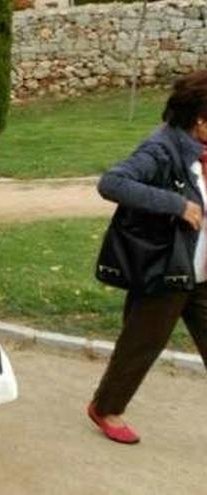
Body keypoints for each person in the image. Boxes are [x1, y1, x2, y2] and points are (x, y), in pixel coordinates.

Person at [88, 70, 207, 445]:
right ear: (200, 120)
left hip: (203, 270)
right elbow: (112, 183)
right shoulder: (162, 148)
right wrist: (175, 204)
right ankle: (105, 407)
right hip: (167, 269)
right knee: (140, 346)